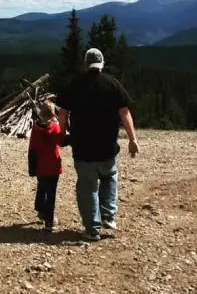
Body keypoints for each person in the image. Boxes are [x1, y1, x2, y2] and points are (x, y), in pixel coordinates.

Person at [56, 47, 139, 241]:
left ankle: (92, 228)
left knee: (87, 186)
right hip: (107, 146)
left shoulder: (73, 84)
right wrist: (133, 139)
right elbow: (124, 112)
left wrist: (61, 133)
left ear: (86, 64)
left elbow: (62, 112)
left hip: (82, 147)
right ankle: (109, 216)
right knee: (109, 177)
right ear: (101, 64)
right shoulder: (113, 84)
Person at [28, 99, 63, 233]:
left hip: (40, 165)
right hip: (53, 165)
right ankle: (49, 221)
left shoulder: (35, 129)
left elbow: (32, 148)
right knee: (51, 193)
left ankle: (41, 211)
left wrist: (32, 167)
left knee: (42, 188)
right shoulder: (55, 126)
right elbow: (60, 141)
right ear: (53, 114)